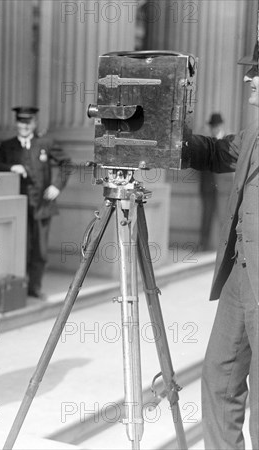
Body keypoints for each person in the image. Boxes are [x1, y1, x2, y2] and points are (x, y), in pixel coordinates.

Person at [187, 40, 258, 449]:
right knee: (219, 378)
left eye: (257, 71)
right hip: (240, 277)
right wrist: (170, 141)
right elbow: (215, 152)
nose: (248, 76)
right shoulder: (253, 132)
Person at [0, 107, 71, 298]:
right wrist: (12, 167)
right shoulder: (7, 146)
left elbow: (66, 163)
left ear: (34, 124)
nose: (24, 126)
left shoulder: (45, 143)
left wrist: (57, 186)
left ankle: (34, 288)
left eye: (28, 123)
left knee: (40, 250)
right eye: (20, 122)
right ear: (16, 123)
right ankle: (18, 289)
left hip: (42, 206)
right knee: (20, 247)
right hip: (19, 207)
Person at [198, 112, 225, 251]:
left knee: (217, 215)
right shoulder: (208, 142)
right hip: (208, 186)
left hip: (218, 187)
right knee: (207, 214)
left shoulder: (219, 141)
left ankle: (214, 244)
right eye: (215, 126)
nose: (216, 128)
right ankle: (204, 244)